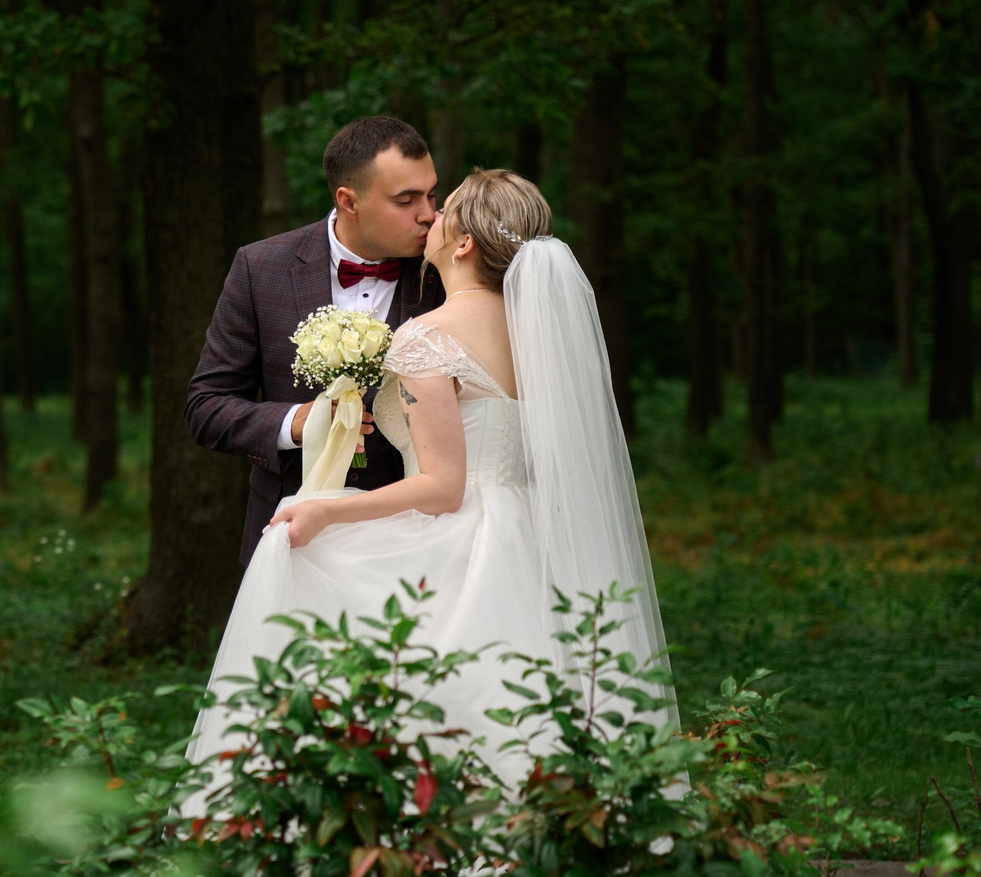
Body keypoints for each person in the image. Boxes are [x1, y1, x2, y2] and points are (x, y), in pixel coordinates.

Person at [183, 167, 675, 788]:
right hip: (531, 536)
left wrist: (325, 508)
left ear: (464, 242)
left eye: (443, 209)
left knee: (311, 576)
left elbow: (443, 487)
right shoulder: (537, 334)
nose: (429, 217)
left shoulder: (426, 336)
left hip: (456, 538)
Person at [185, 116, 445, 564]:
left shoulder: (446, 272)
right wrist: (295, 422)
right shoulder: (260, 268)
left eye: (432, 195)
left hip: (416, 539)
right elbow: (206, 407)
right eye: (406, 200)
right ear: (348, 201)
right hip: (291, 539)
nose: (428, 214)